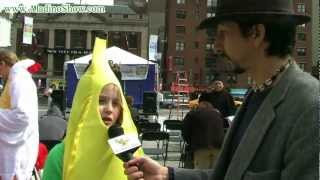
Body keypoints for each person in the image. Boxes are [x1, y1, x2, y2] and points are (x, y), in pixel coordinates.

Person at [124, 0, 319, 180]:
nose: (216, 45)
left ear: (256, 33)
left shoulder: (310, 108)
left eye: (223, 33)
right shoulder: (256, 95)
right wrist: (168, 174)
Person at [42, 38, 143, 180]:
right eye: (101, 101)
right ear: (83, 104)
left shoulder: (134, 153)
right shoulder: (60, 155)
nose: (109, 109)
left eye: (115, 103)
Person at [0, 51, 39, 180]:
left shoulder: (19, 80)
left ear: (3, 64)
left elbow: (22, 116)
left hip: (15, 158)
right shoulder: (16, 79)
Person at [182, 101, 224, 169]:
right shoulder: (218, 114)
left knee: (201, 173)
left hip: (201, 147)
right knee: (215, 173)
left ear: (198, 107)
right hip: (219, 147)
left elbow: (185, 130)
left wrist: (190, 142)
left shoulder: (192, 114)